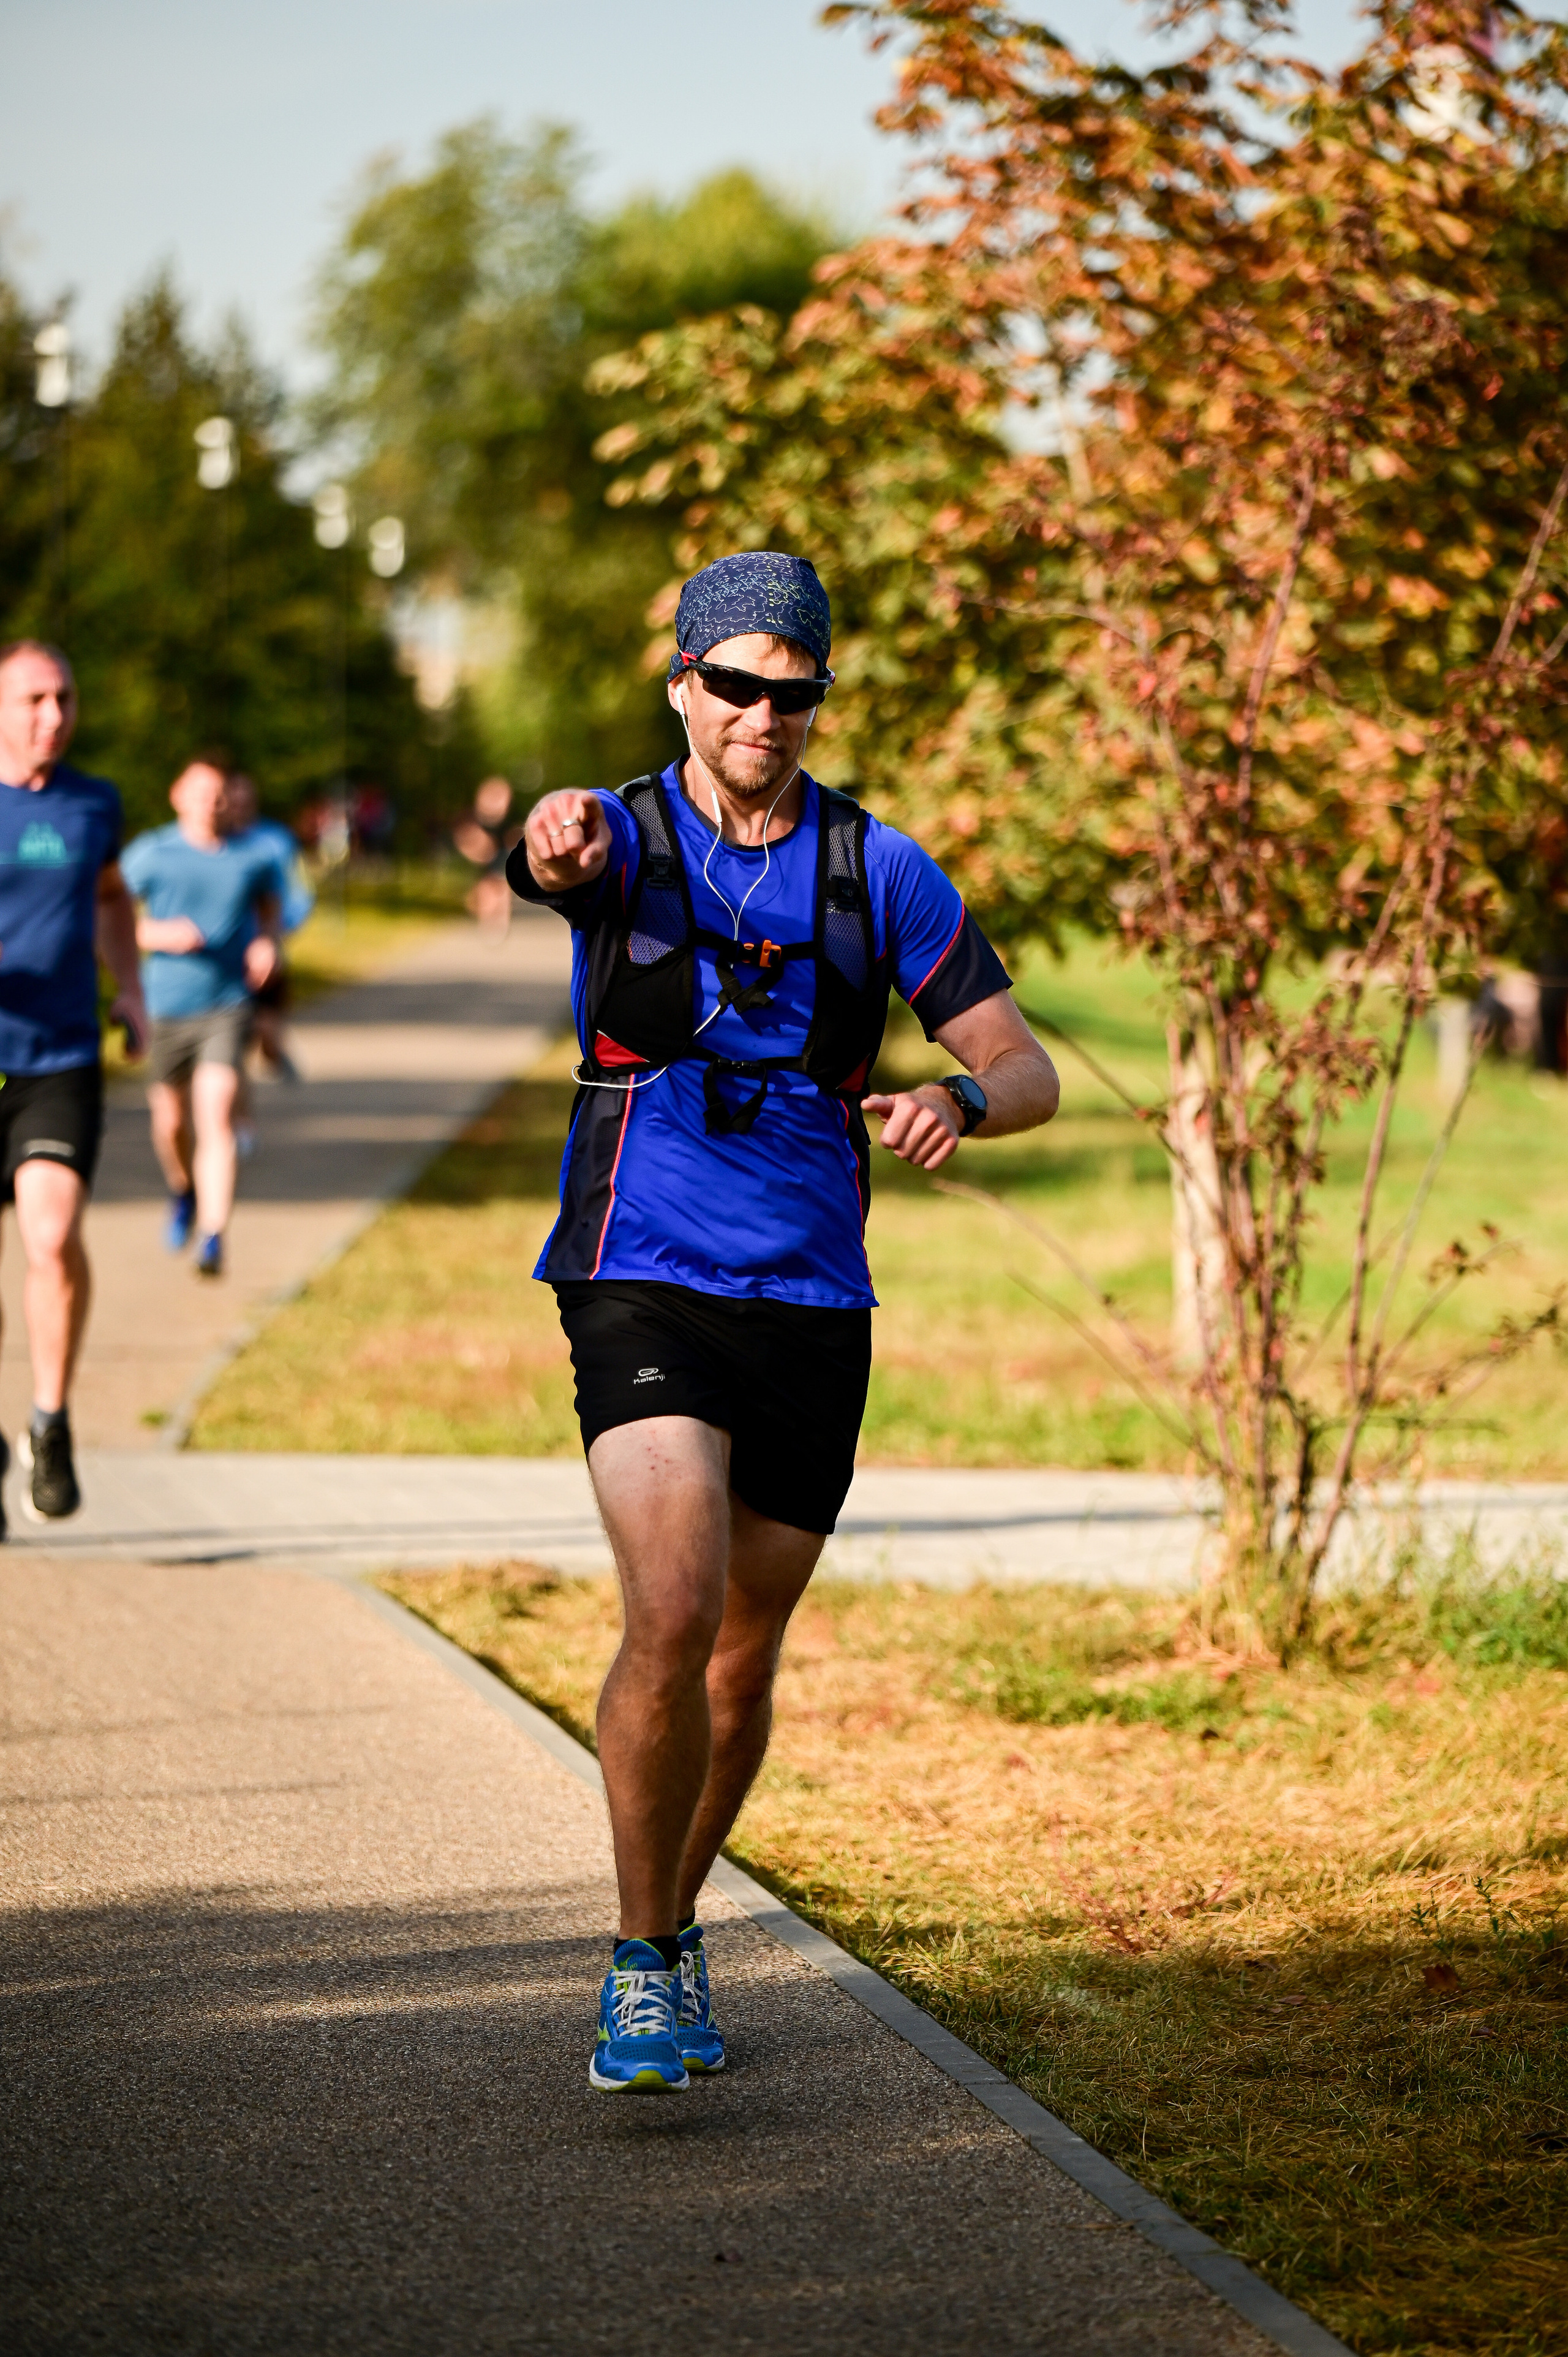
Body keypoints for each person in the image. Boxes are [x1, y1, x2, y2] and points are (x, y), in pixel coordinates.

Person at [507, 551, 1060, 2091]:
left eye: (789, 688)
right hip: (638, 1257)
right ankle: (634, 1962)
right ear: (682, 683)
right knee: (670, 1610)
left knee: (741, 1658)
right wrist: (547, 837)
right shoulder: (623, 831)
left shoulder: (878, 870)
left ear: (814, 699)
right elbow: (550, 856)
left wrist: (958, 1099)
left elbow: (1025, 1068)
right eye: (732, 683)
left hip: (812, 1287)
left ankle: (675, 1921)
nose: (760, 712)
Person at [0, 640, 148, 1530]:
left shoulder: (95, 802)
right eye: (33, 700)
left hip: (58, 1057)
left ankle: (48, 1421)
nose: (53, 716)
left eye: (65, 698)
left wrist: (126, 981)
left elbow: (106, 898)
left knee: (50, 1240)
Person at [121, 759, 283, 1280]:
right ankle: (182, 1190)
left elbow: (270, 910)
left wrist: (266, 943)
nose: (211, 803)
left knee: (215, 1119)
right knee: (170, 1124)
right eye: (200, 793)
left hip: (226, 1004)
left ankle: (214, 1235)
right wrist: (158, 935)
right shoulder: (151, 853)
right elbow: (110, 916)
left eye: (218, 795)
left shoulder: (251, 857)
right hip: (164, 1006)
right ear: (178, 796)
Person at [225, 773, 312, 1090]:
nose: (239, 807)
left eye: (245, 800)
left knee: (267, 1029)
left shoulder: (276, 840)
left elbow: (298, 889)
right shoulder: (214, 843)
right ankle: (240, 1122)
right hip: (225, 956)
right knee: (228, 1049)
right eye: (232, 800)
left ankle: (274, 1052)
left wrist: (280, 930)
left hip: (266, 949)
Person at [454, 777, 519, 935]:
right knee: (487, 886)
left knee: (502, 886)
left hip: (501, 853)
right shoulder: (480, 821)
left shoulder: (504, 822)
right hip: (487, 854)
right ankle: (488, 920)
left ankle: (501, 921)